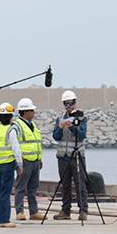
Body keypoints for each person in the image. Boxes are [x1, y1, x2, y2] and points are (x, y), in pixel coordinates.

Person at [52, 89, 88, 220]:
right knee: (65, 184)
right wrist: (60, 128)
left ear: (74, 103)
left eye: (70, 103)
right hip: (63, 156)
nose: (68, 106)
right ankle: (65, 210)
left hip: (77, 156)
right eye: (65, 103)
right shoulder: (59, 119)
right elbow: (55, 137)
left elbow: (82, 135)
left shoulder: (82, 118)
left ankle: (83, 210)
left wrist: (72, 126)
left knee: (80, 183)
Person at [13, 98, 44, 221]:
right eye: (31, 110)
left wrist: (39, 158)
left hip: (35, 161)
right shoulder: (17, 126)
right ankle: (19, 211)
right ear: (25, 112)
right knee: (21, 187)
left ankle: (33, 211)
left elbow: (36, 143)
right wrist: (19, 160)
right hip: (25, 162)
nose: (33, 113)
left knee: (33, 188)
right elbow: (14, 144)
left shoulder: (33, 125)